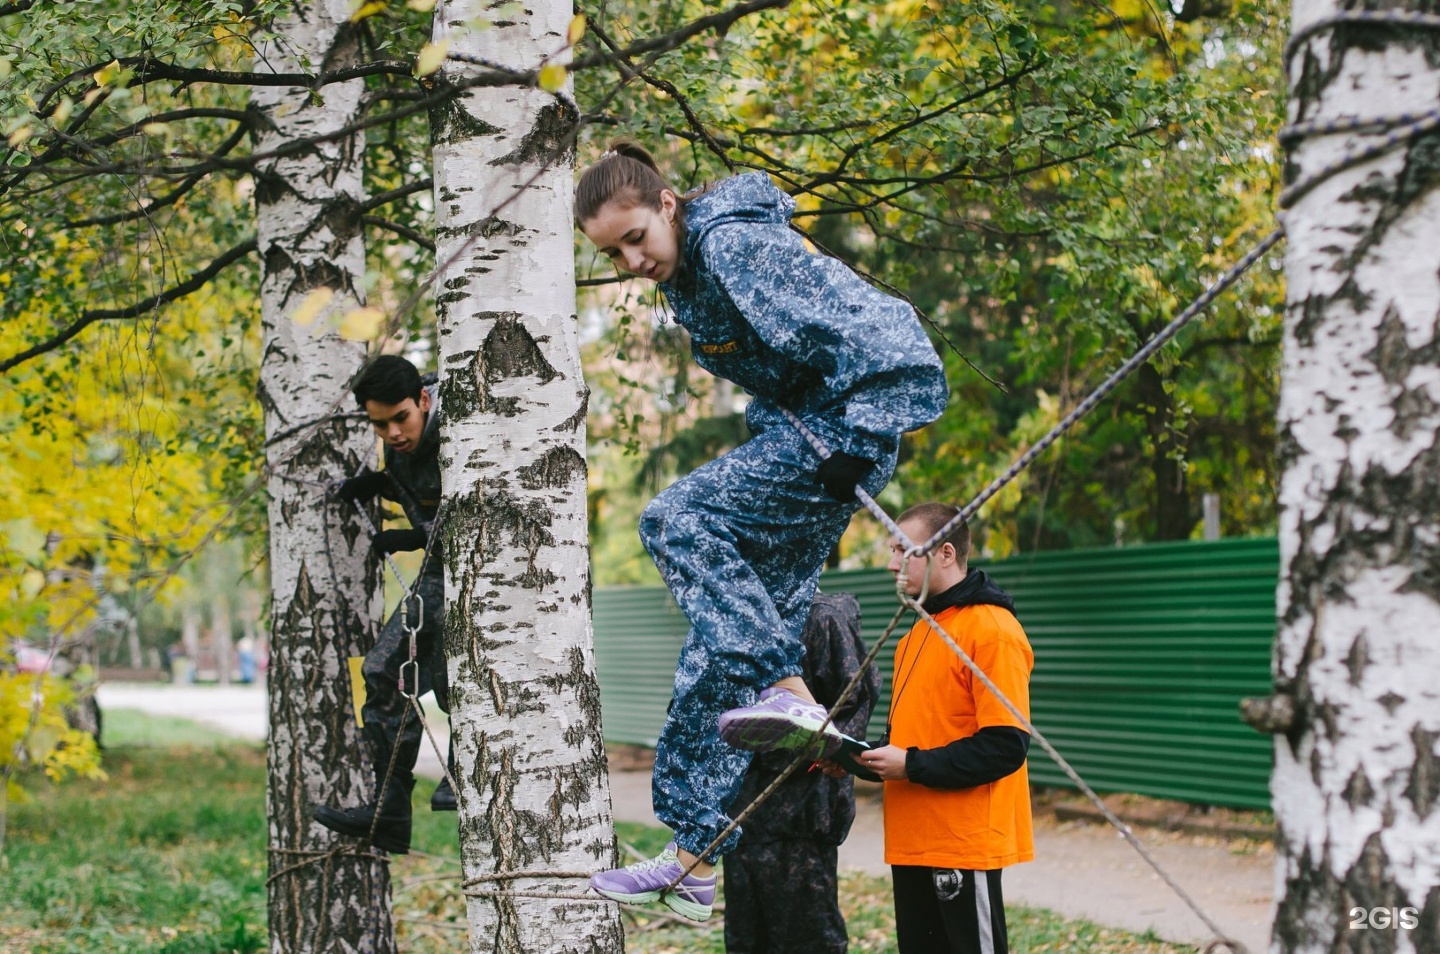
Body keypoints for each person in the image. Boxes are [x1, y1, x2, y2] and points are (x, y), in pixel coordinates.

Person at [577, 140, 949, 920]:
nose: (630, 263)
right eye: (613, 254)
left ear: (668, 203)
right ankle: (693, 860)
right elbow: (783, 365)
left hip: (839, 440)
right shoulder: (689, 280)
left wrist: (866, 429)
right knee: (720, 652)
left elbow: (885, 330)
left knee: (674, 519)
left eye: (635, 238)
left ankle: (787, 691)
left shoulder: (735, 243)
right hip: (807, 442)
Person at [850, 502, 1034, 954]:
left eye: (903, 551)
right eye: (891, 551)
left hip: (962, 846)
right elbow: (912, 741)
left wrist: (909, 764)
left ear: (946, 553)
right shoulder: (915, 635)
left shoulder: (992, 630)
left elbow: (1005, 747)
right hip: (911, 842)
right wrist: (857, 758)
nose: (892, 563)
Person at [312, 355, 457, 856]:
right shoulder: (398, 447)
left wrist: (411, 537)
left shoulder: (463, 427)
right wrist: (375, 485)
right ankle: (390, 810)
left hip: (475, 571)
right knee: (380, 671)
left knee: (446, 674)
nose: (393, 432)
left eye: (401, 417)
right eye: (380, 424)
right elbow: (415, 486)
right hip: (440, 570)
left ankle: (463, 774)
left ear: (422, 400)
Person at [725, 591, 880, 954]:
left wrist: (824, 753)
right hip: (741, 820)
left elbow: (855, 700)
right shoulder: (735, 612)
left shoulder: (820, 617)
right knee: (745, 942)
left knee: (808, 942)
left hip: (801, 820)